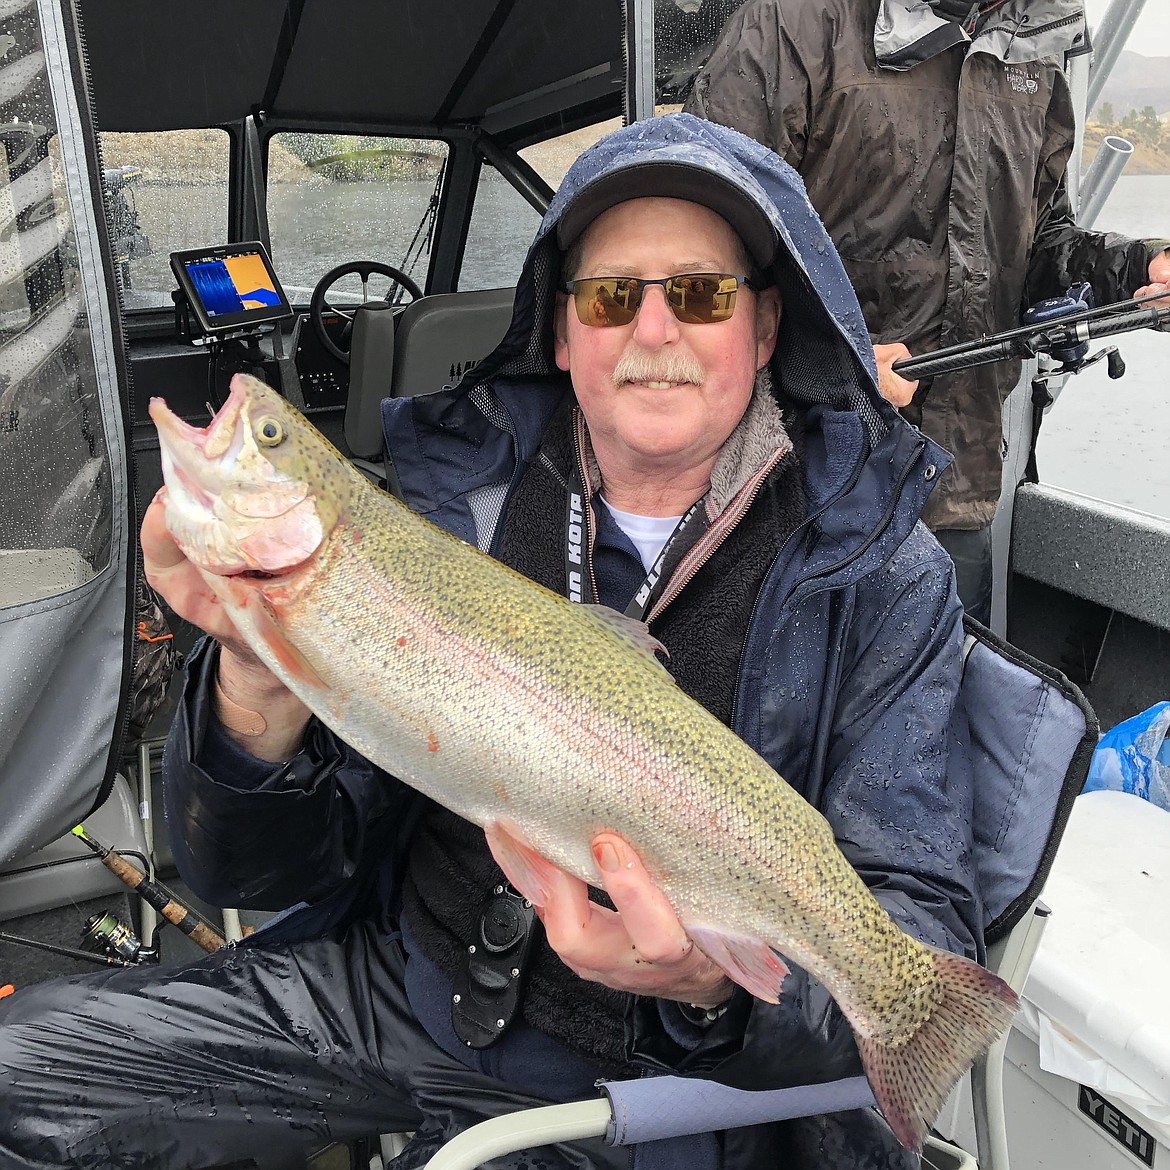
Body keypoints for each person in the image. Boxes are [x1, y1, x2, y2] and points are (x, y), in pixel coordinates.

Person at [0, 112, 981, 1170]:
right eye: (612, 296)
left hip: (662, 1089)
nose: (654, 331)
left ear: (766, 324)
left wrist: (712, 995)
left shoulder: (878, 574)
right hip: (397, 984)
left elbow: (919, 921)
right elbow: (251, 873)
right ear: (562, 334)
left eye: (698, 293)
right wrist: (254, 669)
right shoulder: (446, 509)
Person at [684, 0, 1170, 622]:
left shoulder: (1038, 47)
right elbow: (699, 248)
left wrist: (1135, 268)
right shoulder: (796, 19)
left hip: (953, 493)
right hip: (791, 487)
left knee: (936, 707)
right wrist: (838, 367)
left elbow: (1038, 241)